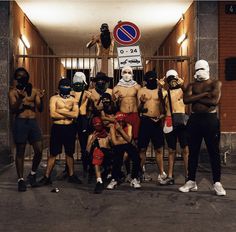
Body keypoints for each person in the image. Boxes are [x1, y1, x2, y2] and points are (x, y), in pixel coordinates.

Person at [179, 59, 226, 196]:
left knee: (213, 152)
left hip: (210, 119)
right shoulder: (191, 85)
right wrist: (205, 94)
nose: (200, 72)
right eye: (197, 70)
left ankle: (217, 182)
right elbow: (186, 100)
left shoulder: (215, 83)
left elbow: (214, 101)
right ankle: (191, 181)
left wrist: (195, 97)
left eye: (202, 69)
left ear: (207, 69)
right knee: (193, 151)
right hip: (195, 120)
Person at [39, 78, 82, 185]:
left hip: (69, 128)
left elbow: (75, 115)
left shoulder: (73, 100)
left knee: (69, 153)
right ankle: (47, 177)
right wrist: (68, 113)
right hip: (57, 129)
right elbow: (53, 115)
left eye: (68, 86)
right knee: (53, 153)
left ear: (70, 88)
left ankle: (71, 175)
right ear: (59, 87)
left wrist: (59, 110)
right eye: (64, 86)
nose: (66, 88)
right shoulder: (54, 98)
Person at [9, 67, 44, 192]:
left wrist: (41, 98)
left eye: (23, 75)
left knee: (39, 150)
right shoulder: (13, 92)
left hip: (33, 123)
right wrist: (20, 99)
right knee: (20, 151)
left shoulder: (34, 91)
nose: (20, 78)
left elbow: (40, 108)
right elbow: (13, 109)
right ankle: (21, 180)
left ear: (27, 77)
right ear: (16, 78)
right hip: (20, 122)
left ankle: (33, 174)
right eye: (18, 76)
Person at [159, 69, 189, 185]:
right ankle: (170, 176)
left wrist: (183, 85)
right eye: (170, 79)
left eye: (174, 78)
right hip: (169, 121)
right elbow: (161, 98)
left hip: (182, 121)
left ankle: (188, 176)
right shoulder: (165, 92)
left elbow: (188, 94)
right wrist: (160, 87)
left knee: (185, 150)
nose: (172, 81)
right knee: (171, 150)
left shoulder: (183, 90)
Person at [137, 71, 166, 183]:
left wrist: (161, 116)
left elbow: (165, 108)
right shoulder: (141, 91)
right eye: (149, 79)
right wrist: (142, 103)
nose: (151, 80)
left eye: (153, 78)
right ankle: (140, 173)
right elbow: (138, 109)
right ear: (145, 80)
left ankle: (161, 173)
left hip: (157, 122)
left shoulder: (161, 91)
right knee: (142, 148)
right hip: (145, 121)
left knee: (159, 149)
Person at [107, 112, 141, 190]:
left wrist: (120, 130)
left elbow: (129, 139)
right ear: (116, 121)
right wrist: (125, 140)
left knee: (137, 158)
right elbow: (115, 142)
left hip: (127, 145)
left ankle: (134, 178)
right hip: (118, 146)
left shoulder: (129, 126)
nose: (121, 123)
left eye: (122, 121)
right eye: (119, 121)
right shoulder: (112, 127)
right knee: (117, 159)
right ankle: (114, 179)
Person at [71, 72, 91, 177]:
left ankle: (85, 166)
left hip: (80, 119)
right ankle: (84, 167)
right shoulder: (85, 93)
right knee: (77, 144)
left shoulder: (72, 93)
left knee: (83, 144)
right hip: (78, 118)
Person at [86, 117, 112, 194]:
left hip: (108, 155)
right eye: (96, 125)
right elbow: (87, 150)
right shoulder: (92, 136)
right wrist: (91, 140)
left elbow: (113, 146)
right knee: (97, 153)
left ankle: (110, 173)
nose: (98, 126)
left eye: (99, 124)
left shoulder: (107, 134)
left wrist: (110, 139)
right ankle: (99, 181)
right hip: (97, 156)